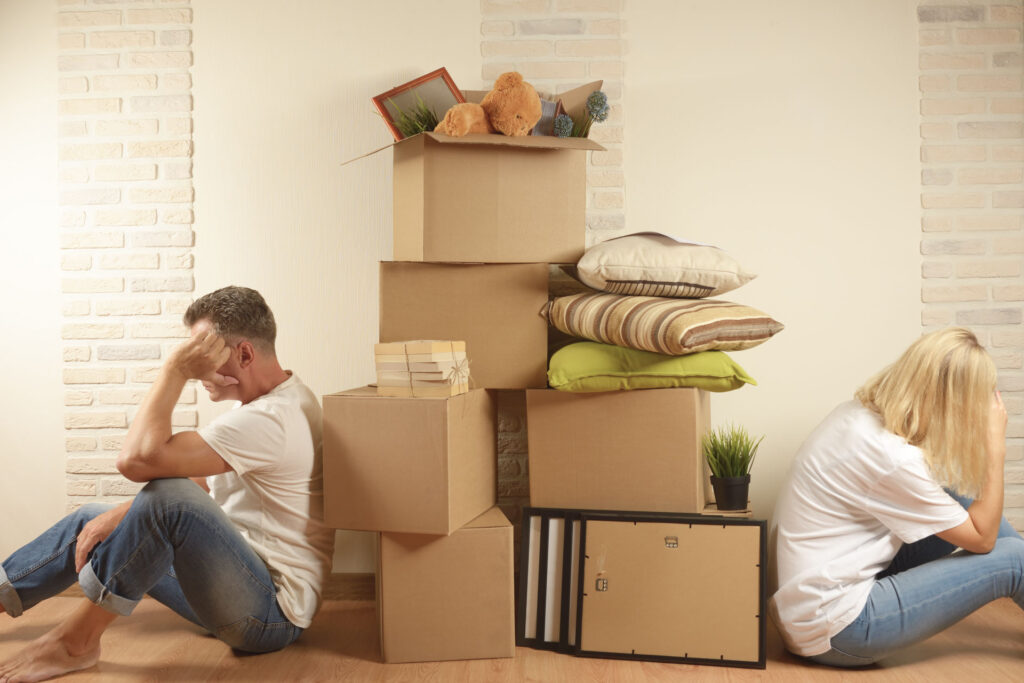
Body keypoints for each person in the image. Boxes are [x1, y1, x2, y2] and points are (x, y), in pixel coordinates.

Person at [0, 286, 334, 682]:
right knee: (92, 519)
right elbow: (206, 481)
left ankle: (75, 643)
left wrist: (173, 371)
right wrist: (115, 518)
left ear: (243, 354)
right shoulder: (282, 400)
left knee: (168, 497)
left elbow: (136, 460)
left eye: (202, 355)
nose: (196, 369)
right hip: (235, 582)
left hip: (267, 617)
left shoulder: (273, 420)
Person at [769, 327, 1022, 667]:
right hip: (838, 629)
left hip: (809, 604)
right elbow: (983, 539)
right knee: (1014, 558)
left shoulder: (855, 415)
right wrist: (996, 448)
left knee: (958, 499)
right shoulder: (892, 458)